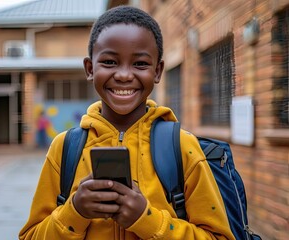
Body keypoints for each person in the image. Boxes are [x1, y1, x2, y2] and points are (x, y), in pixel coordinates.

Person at [19, 5, 235, 240]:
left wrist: (147, 220)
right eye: (110, 62)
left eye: (140, 64)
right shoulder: (65, 148)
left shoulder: (183, 147)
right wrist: (74, 212)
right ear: (90, 69)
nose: (123, 75)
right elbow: (31, 235)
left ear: (158, 71)